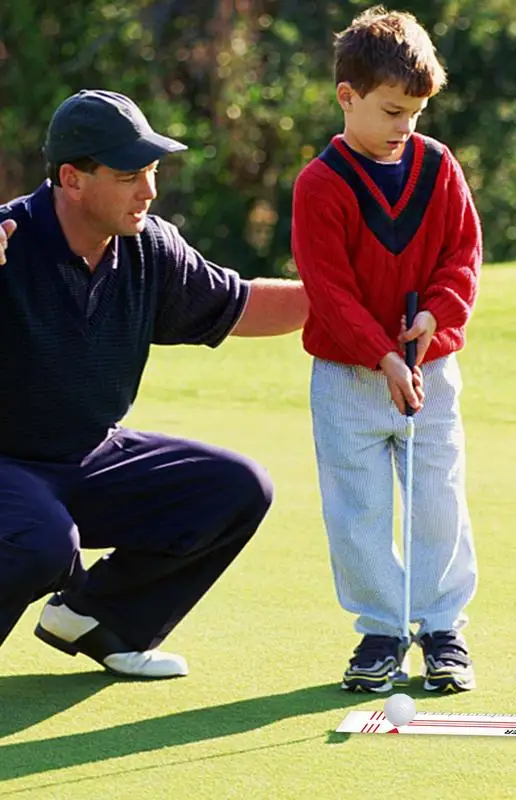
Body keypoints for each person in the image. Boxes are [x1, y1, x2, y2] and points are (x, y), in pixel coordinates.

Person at [0, 89, 308, 679]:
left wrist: (352, 304)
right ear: (73, 178)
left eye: (152, 170)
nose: (149, 190)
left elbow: (239, 305)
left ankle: (100, 618)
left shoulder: (148, 248)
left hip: (86, 456)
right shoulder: (8, 241)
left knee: (235, 488)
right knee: (43, 542)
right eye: (128, 175)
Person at [291, 6, 481, 693]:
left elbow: (463, 254)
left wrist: (436, 317)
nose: (408, 126)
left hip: (430, 368)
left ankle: (441, 630)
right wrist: (382, 355)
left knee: (438, 499)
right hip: (347, 378)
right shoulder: (320, 184)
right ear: (349, 97)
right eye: (395, 110)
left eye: (417, 113)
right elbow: (331, 291)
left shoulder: (437, 166)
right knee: (358, 507)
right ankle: (379, 631)